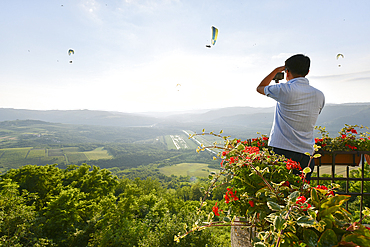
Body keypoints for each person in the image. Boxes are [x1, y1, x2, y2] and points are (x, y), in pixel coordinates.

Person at [256, 54, 325, 180]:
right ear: (307, 72)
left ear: (286, 71)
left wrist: (276, 71)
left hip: (282, 152)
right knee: (300, 196)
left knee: (279, 195)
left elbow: (260, 88)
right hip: (307, 155)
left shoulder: (285, 89)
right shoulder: (319, 95)